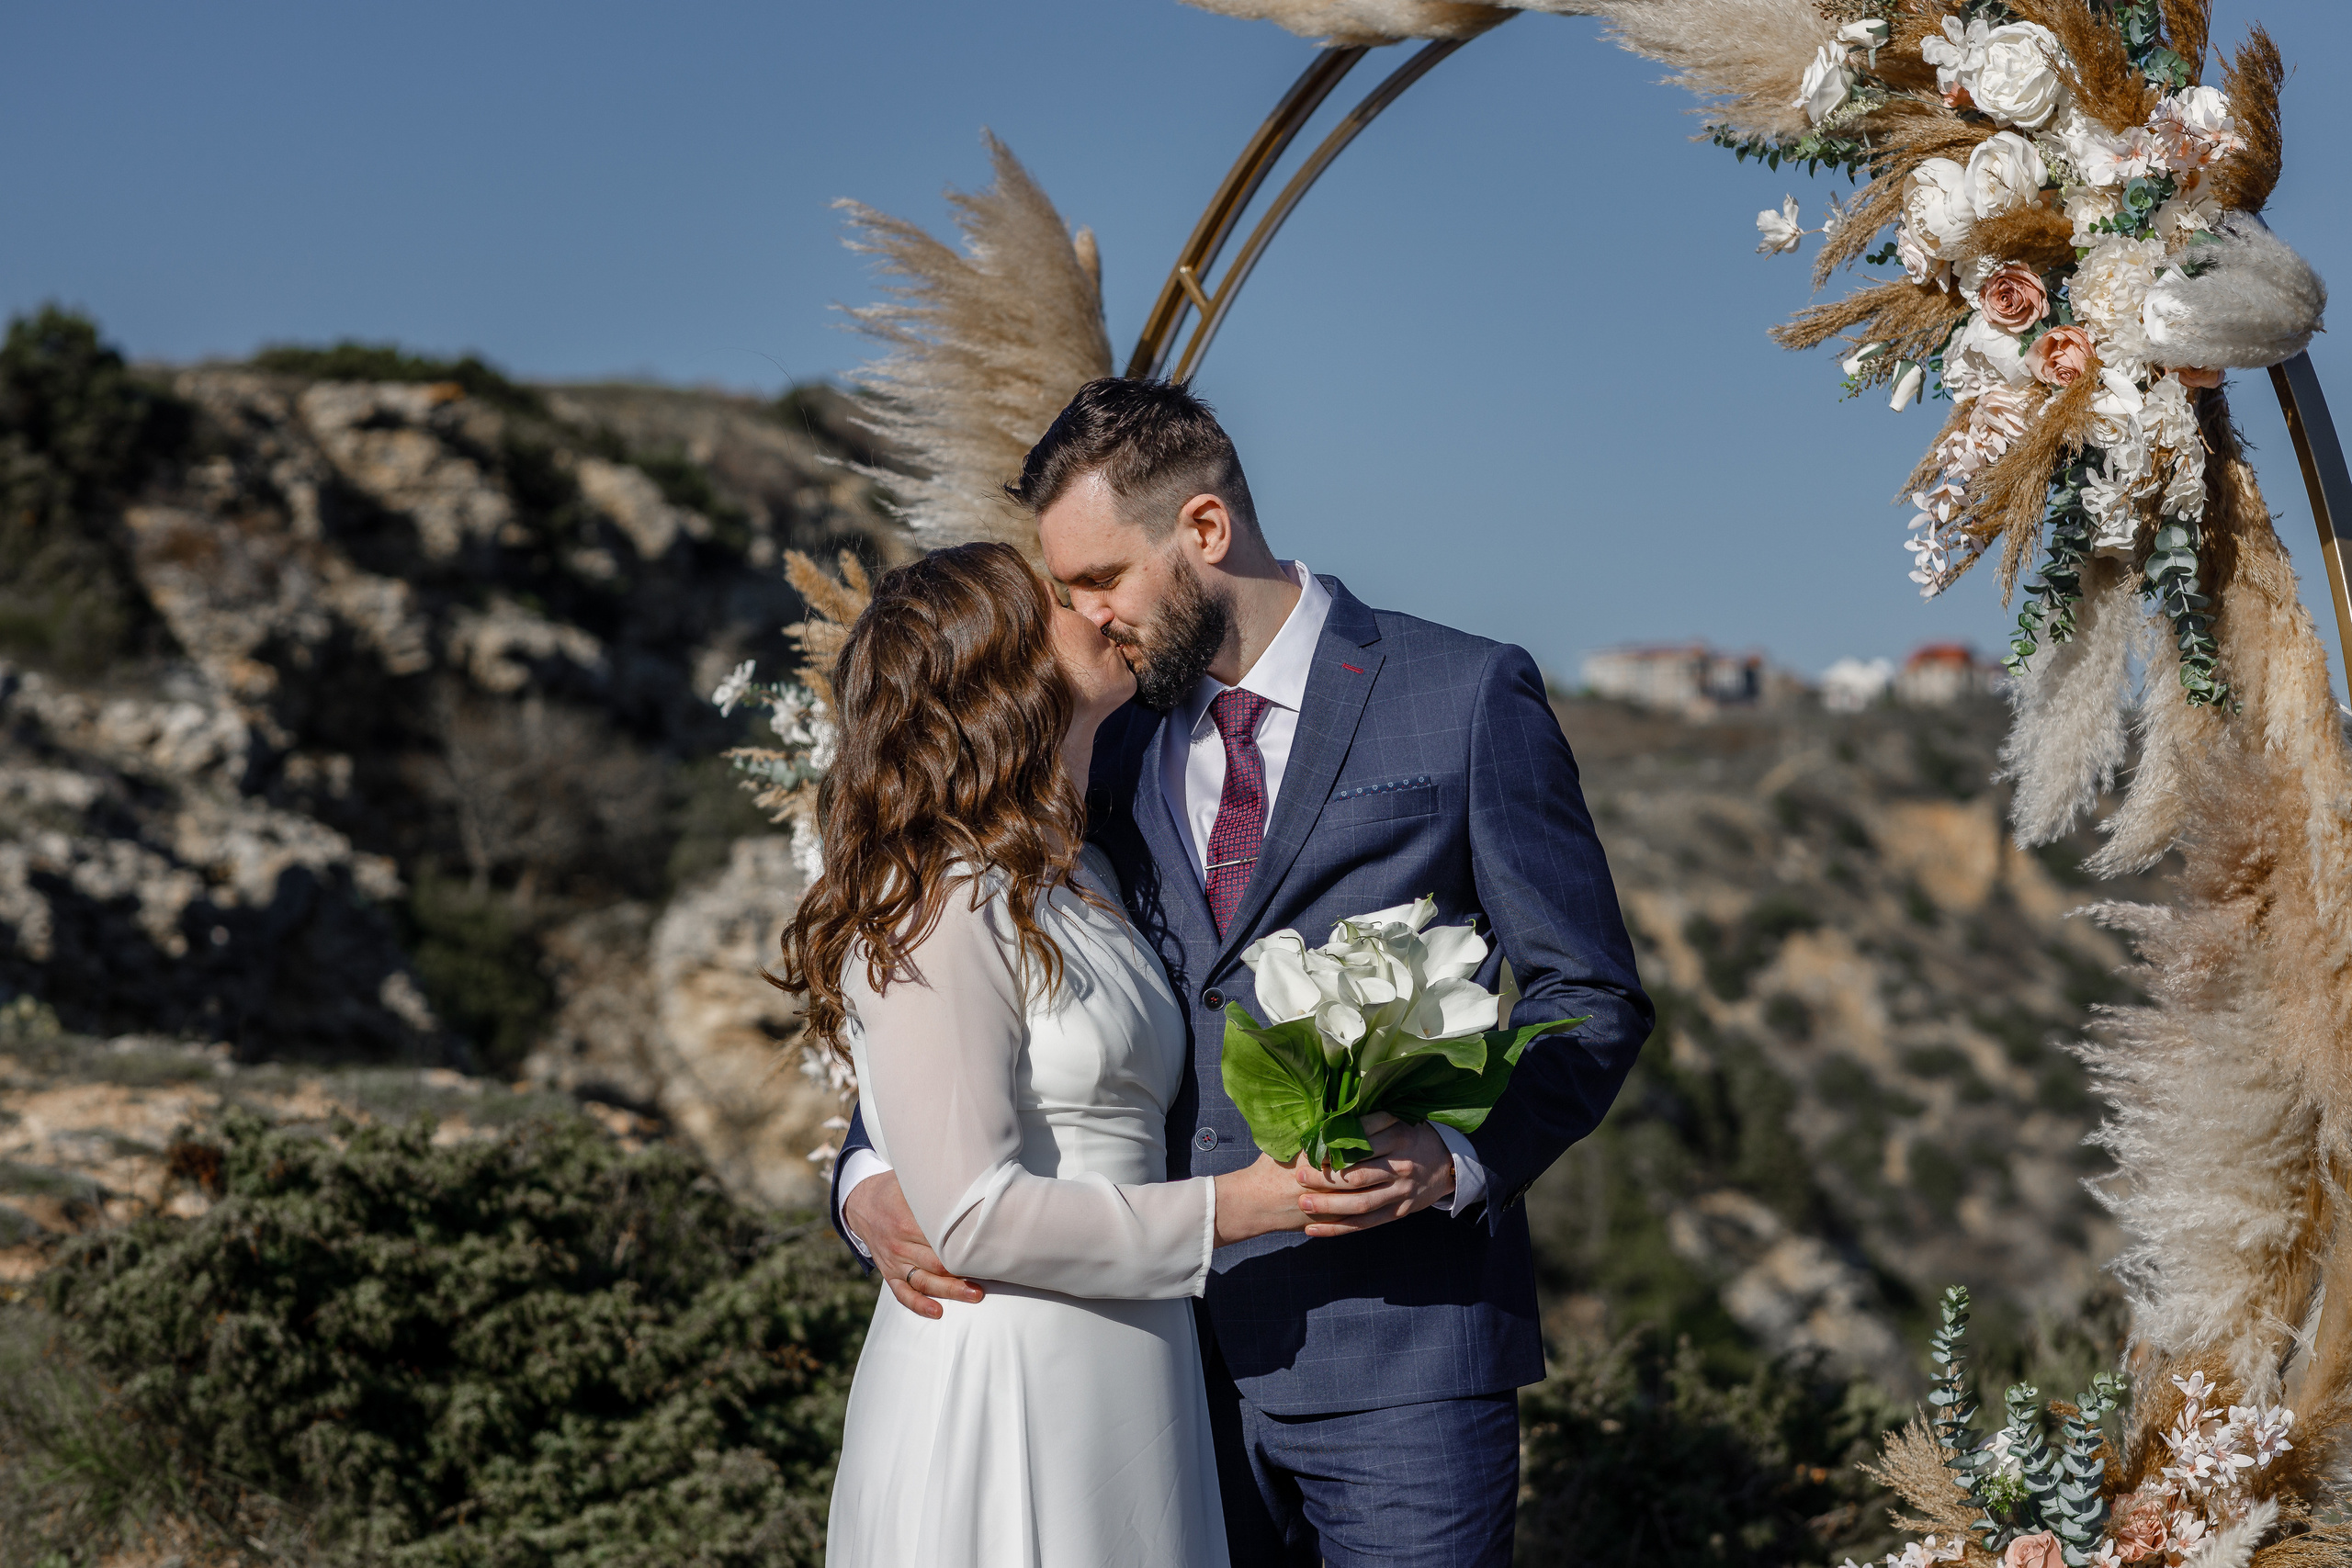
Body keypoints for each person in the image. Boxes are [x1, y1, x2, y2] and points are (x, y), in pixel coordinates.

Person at [832, 378, 1654, 1566]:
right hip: (1161, 1371)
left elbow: (1589, 996)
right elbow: (963, 984)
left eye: (1100, 579)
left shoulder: (1464, 696)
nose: (1089, 617)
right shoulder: (1096, 738)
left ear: (1204, 531)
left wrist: (1461, 1159)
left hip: (1403, 1360)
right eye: (1065, 593)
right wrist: (868, 1173)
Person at [782, 541, 1317, 1568]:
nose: (1096, 609)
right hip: (1005, 1372)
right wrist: (1241, 1206)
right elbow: (973, 1213)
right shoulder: (940, 896)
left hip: (1131, 1376)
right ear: (1002, 671)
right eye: (1058, 602)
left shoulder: (1093, 875)